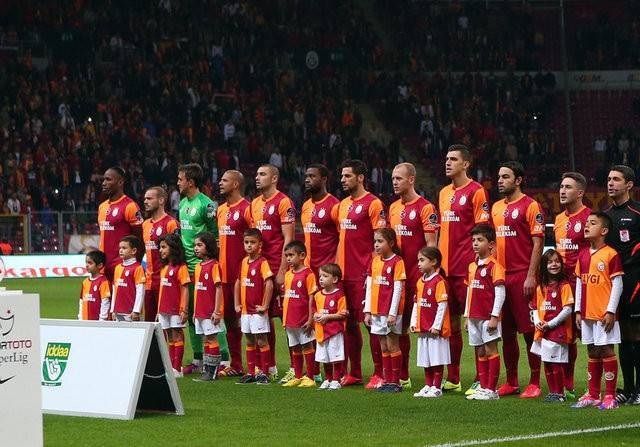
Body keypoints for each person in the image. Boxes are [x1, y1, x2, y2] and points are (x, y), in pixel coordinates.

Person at [438, 145, 490, 394]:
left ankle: (481, 378)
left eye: (453, 159)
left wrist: (479, 265)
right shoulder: (443, 193)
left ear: (466, 164)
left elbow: (482, 232)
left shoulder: (476, 191)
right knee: (450, 326)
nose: (448, 163)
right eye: (447, 159)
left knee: (476, 325)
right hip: (445, 271)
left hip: (467, 269)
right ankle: (454, 378)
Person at [491, 161, 545, 398]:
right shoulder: (495, 208)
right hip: (501, 277)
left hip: (522, 275)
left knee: (529, 331)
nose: (500, 181)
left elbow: (538, 243)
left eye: (505, 176)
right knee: (507, 333)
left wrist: (531, 275)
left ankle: (534, 382)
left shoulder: (531, 206)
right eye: (499, 177)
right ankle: (511, 381)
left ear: (518, 180)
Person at [336, 159, 387, 387]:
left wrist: (373, 270)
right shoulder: (342, 205)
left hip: (363, 274)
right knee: (348, 324)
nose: (343, 180)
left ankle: (380, 373)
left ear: (360, 178)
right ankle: (354, 373)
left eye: (347, 176)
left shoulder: (373, 204)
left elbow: (381, 240)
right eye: (342, 176)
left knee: (371, 323)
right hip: (343, 274)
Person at [389, 162, 438, 389]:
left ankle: (437, 377)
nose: (394, 182)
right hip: (397, 279)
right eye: (393, 178)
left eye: (399, 178)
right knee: (397, 329)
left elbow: (431, 246)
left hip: (418, 279)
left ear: (411, 180)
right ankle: (402, 375)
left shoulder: (425, 208)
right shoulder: (392, 208)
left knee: (426, 328)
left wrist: (429, 278)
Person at [177, 163, 226, 376]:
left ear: (190, 182)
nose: (178, 183)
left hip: (204, 268)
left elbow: (216, 235)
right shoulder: (181, 204)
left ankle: (223, 358)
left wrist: (212, 264)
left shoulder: (207, 205)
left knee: (212, 313)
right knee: (191, 314)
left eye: (180, 179)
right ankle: (198, 358)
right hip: (187, 267)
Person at [572, 212, 624, 410]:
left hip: (604, 314)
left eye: (592, 223)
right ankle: (593, 394)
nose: (587, 226)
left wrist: (611, 311)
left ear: (604, 231)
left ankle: (610, 396)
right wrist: (578, 310)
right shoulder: (583, 254)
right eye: (586, 223)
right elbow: (579, 283)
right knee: (592, 350)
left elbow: (617, 284)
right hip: (587, 313)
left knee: (606, 350)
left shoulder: (611, 254)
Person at [251, 164, 296, 381]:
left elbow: (289, 238)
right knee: (263, 318)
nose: (257, 177)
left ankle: (297, 368)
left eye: (262, 174)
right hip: (261, 270)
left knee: (289, 320)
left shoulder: (283, 202)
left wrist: (282, 270)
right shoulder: (255, 203)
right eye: (257, 174)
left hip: (279, 267)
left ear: (274, 178)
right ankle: (269, 367)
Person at [603, 165, 640, 404]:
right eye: (609, 179)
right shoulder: (605, 215)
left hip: (636, 281)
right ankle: (627, 388)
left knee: (637, 334)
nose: (610, 183)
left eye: (616, 179)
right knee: (623, 336)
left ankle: (639, 390)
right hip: (614, 284)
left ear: (629, 185)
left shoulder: (637, 212)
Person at [554, 171, 590, 398]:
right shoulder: (558, 219)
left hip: (582, 284)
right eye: (561, 186)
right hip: (561, 285)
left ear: (580, 193)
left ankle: (593, 386)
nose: (562, 190)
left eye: (568, 187)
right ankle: (567, 384)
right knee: (565, 336)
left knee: (589, 336)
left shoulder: (589, 217)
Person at [217, 170, 253, 377]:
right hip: (224, 274)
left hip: (243, 275)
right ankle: (237, 364)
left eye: (225, 180)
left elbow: (255, 239)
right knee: (230, 321)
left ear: (236, 184)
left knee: (252, 321)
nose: (220, 183)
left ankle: (262, 366)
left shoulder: (247, 208)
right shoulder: (221, 210)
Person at [464, 224, 506, 401]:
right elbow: (469, 291)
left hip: (488, 317)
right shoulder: (471, 266)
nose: (475, 243)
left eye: (480, 240)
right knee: (480, 352)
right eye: (473, 240)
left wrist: (495, 316)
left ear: (491, 245)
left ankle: (491, 389)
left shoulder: (495, 266)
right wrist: (467, 315)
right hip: (474, 316)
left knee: (491, 350)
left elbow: (500, 293)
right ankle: (483, 386)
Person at [364, 228, 406, 393]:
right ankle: (387, 380)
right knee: (383, 346)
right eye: (375, 241)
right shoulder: (374, 261)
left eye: (380, 241)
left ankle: (396, 382)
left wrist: (393, 313)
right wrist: (368, 311)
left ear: (391, 243)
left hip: (390, 312)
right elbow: (369, 287)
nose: (376, 244)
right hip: (376, 310)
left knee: (392, 344)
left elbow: (398, 289)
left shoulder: (397, 262)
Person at [530, 249, 574, 403]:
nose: (554, 264)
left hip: (558, 331)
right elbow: (535, 308)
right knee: (547, 361)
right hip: (543, 331)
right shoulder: (540, 287)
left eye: (557, 261)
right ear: (544, 265)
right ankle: (552, 392)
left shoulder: (564, 285)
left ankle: (560, 393)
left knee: (556, 362)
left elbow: (567, 309)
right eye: (550, 262)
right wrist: (538, 322)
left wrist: (550, 324)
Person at [234, 228, 274, 385]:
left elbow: (269, 284)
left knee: (262, 341)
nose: (249, 245)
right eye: (246, 242)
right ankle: (251, 372)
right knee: (249, 341)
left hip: (257, 311)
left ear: (260, 245)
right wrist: (237, 303)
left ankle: (264, 373)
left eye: (252, 242)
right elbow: (238, 282)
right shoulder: (244, 262)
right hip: (245, 310)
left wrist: (265, 305)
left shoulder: (263, 263)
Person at [411, 246, 450, 399]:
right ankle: (428, 385)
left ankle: (437, 386)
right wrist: (414, 322)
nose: (419, 264)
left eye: (422, 260)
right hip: (422, 327)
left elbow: (442, 305)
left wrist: (436, 326)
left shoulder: (439, 282)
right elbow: (416, 303)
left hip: (435, 330)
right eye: (418, 260)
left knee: (436, 357)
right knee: (425, 358)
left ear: (433, 262)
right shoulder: (420, 282)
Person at [281, 241, 317, 388]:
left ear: (302, 255)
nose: (288, 258)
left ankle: (310, 377)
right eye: (286, 256)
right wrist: (285, 319)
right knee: (295, 347)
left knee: (307, 345)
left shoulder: (308, 274)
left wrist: (310, 318)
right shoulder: (288, 274)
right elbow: (287, 298)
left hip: (303, 319)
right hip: (290, 319)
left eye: (291, 255)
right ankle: (297, 376)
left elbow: (311, 298)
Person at [98, 167, 143, 282]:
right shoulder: (102, 207)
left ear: (120, 182)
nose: (104, 183)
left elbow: (140, 239)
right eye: (103, 180)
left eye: (108, 180)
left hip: (122, 267)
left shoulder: (130, 206)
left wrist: (133, 265)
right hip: (103, 267)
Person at [142, 186, 179, 322]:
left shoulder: (171, 224)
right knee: (149, 324)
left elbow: (177, 253)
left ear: (161, 200)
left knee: (166, 324)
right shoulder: (145, 224)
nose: (145, 201)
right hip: (149, 282)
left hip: (165, 281)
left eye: (149, 198)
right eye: (145, 198)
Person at [192, 232, 225, 382]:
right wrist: (195, 311)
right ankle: (207, 368)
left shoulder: (214, 266)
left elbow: (218, 288)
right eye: (195, 245)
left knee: (211, 339)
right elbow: (197, 290)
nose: (196, 248)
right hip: (200, 311)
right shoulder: (198, 266)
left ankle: (213, 372)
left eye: (199, 245)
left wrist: (217, 311)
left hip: (210, 311)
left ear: (209, 246)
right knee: (206, 339)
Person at [157, 234, 191, 378]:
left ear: (174, 248)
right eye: (160, 247)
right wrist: (158, 310)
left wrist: (184, 309)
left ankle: (177, 368)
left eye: (164, 247)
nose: (160, 250)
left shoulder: (181, 267)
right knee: (169, 337)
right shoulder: (164, 267)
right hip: (164, 309)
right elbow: (162, 290)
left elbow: (185, 289)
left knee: (177, 335)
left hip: (176, 309)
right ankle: (171, 367)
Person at [313, 263, 348, 391]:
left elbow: (343, 313)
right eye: (320, 276)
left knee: (335, 356)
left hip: (334, 332)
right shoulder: (318, 295)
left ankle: (336, 380)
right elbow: (314, 310)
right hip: (321, 332)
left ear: (334, 279)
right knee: (324, 357)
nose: (321, 279)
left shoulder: (339, 295)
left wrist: (327, 317)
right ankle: (327, 379)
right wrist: (315, 315)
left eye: (325, 276)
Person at [301, 164, 340, 275]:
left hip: (328, 271)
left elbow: (343, 239)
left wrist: (336, 266)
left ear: (324, 179)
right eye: (306, 176)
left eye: (312, 176)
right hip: (307, 270)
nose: (307, 180)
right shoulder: (305, 205)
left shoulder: (335, 205)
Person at [110, 235, 146, 321]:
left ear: (133, 251)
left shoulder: (138, 268)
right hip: (118, 311)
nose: (121, 250)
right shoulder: (117, 268)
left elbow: (140, 290)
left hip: (132, 313)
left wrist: (136, 310)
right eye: (120, 248)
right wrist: (112, 309)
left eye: (124, 248)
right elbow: (114, 289)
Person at [78, 250, 110, 321]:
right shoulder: (85, 282)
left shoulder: (103, 282)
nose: (87, 265)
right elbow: (81, 301)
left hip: (97, 322)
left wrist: (102, 319)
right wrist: (80, 317)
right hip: (85, 320)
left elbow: (105, 301)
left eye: (90, 263)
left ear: (100, 265)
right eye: (86, 262)